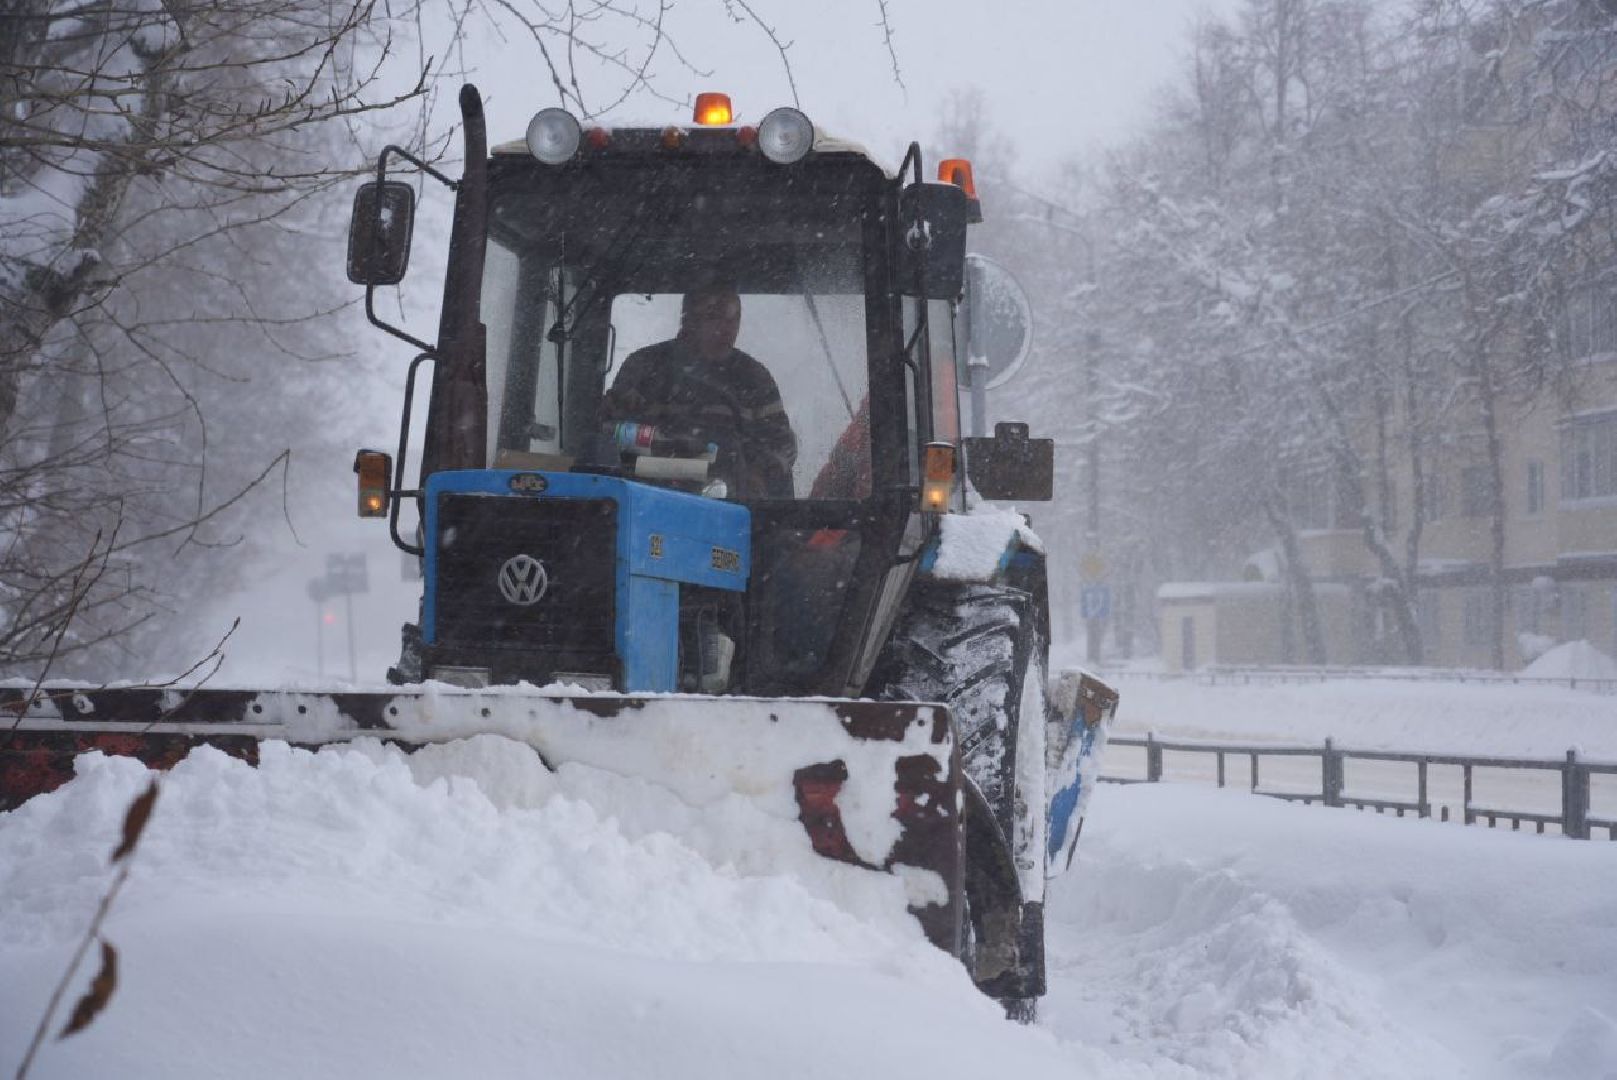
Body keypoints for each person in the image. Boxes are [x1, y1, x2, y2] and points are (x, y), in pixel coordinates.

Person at [601, 283, 797, 498]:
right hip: (644, 497)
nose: (726, 328)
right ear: (688, 320)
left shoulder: (755, 378)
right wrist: (678, 450)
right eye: (713, 317)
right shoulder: (643, 367)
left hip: (734, 504)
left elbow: (782, 444)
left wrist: (757, 473)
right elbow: (608, 432)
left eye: (733, 319)